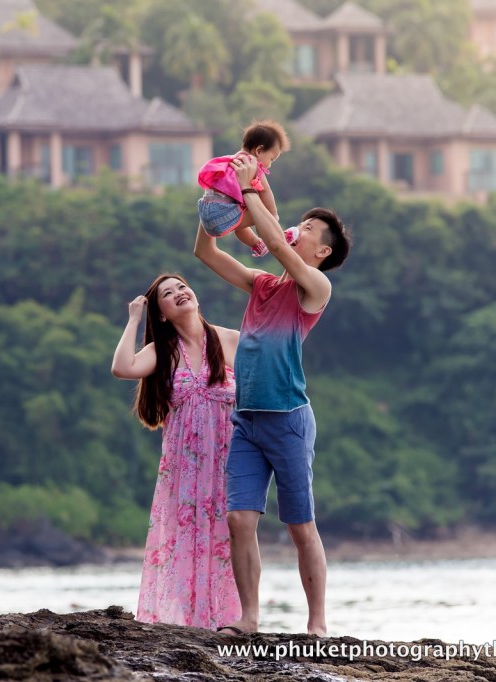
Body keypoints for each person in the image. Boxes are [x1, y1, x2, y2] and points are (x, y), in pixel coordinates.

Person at [193, 154, 352, 637]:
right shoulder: (262, 285)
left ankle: (317, 623)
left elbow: (279, 247)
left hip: (288, 419)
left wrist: (250, 191)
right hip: (247, 419)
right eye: (301, 223)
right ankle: (249, 618)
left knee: (300, 526)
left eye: (309, 229)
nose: (298, 230)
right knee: (239, 520)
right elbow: (206, 253)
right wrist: (216, 201)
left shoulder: (315, 287)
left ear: (322, 251)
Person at [111, 273, 242, 629]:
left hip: (229, 461)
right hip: (183, 467)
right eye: (168, 294)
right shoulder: (163, 351)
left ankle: (232, 618)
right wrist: (134, 319)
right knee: (183, 540)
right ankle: (186, 621)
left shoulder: (230, 339)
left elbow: (263, 386)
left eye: (182, 286)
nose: (179, 293)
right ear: (162, 314)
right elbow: (122, 367)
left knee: (231, 537)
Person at [197, 119, 298, 258]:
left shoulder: (231, 160)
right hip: (223, 213)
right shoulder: (251, 163)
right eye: (271, 159)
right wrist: (273, 216)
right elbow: (265, 191)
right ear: (259, 150)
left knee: (240, 222)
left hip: (206, 216)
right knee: (260, 212)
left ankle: (257, 244)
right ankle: (279, 236)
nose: (269, 165)